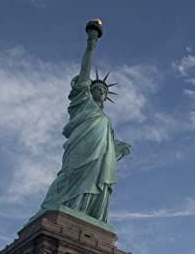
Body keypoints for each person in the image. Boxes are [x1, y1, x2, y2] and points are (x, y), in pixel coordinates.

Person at [35, 20, 132, 224]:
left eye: (105, 91)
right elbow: (85, 74)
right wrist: (91, 45)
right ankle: (62, 209)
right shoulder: (83, 102)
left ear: (106, 97)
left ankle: (87, 215)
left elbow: (110, 148)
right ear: (89, 90)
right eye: (97, 88)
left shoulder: (106, 122)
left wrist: (118, 148)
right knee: (69, 176)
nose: (101, 91)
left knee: (97, 184)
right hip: (81, 149)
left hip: (99, 160)